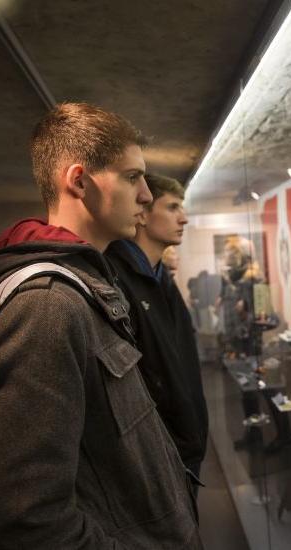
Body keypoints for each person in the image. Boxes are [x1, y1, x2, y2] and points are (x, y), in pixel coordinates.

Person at [0, 103, 200, 547]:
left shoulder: (87, 287)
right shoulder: (47, 307)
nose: (146, 195)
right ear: (78, 181)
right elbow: (23, 516)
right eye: (132, 177)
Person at [105, 174, 209, 481]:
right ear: (144, 214)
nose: (184, 218)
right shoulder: (117, 278)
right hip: (159, 456)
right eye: (173, 207)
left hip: (183, 446)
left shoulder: (160, 277)